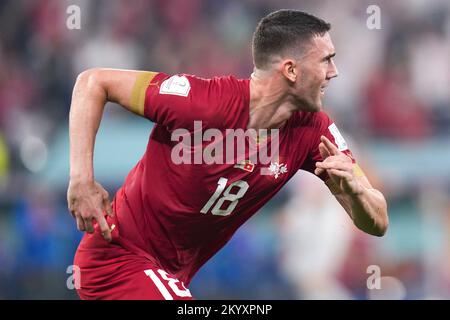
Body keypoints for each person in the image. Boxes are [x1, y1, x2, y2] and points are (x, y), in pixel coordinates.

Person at [67, 9, 388, 300]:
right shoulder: (202, 103)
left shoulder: (314, 131)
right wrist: (82, 180)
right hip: (117, 261)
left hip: (168, 277)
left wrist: (355, 191)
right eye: (326, 60)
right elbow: (93, 82)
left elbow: (378, 222)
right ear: (291, 69)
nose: (334, 72)